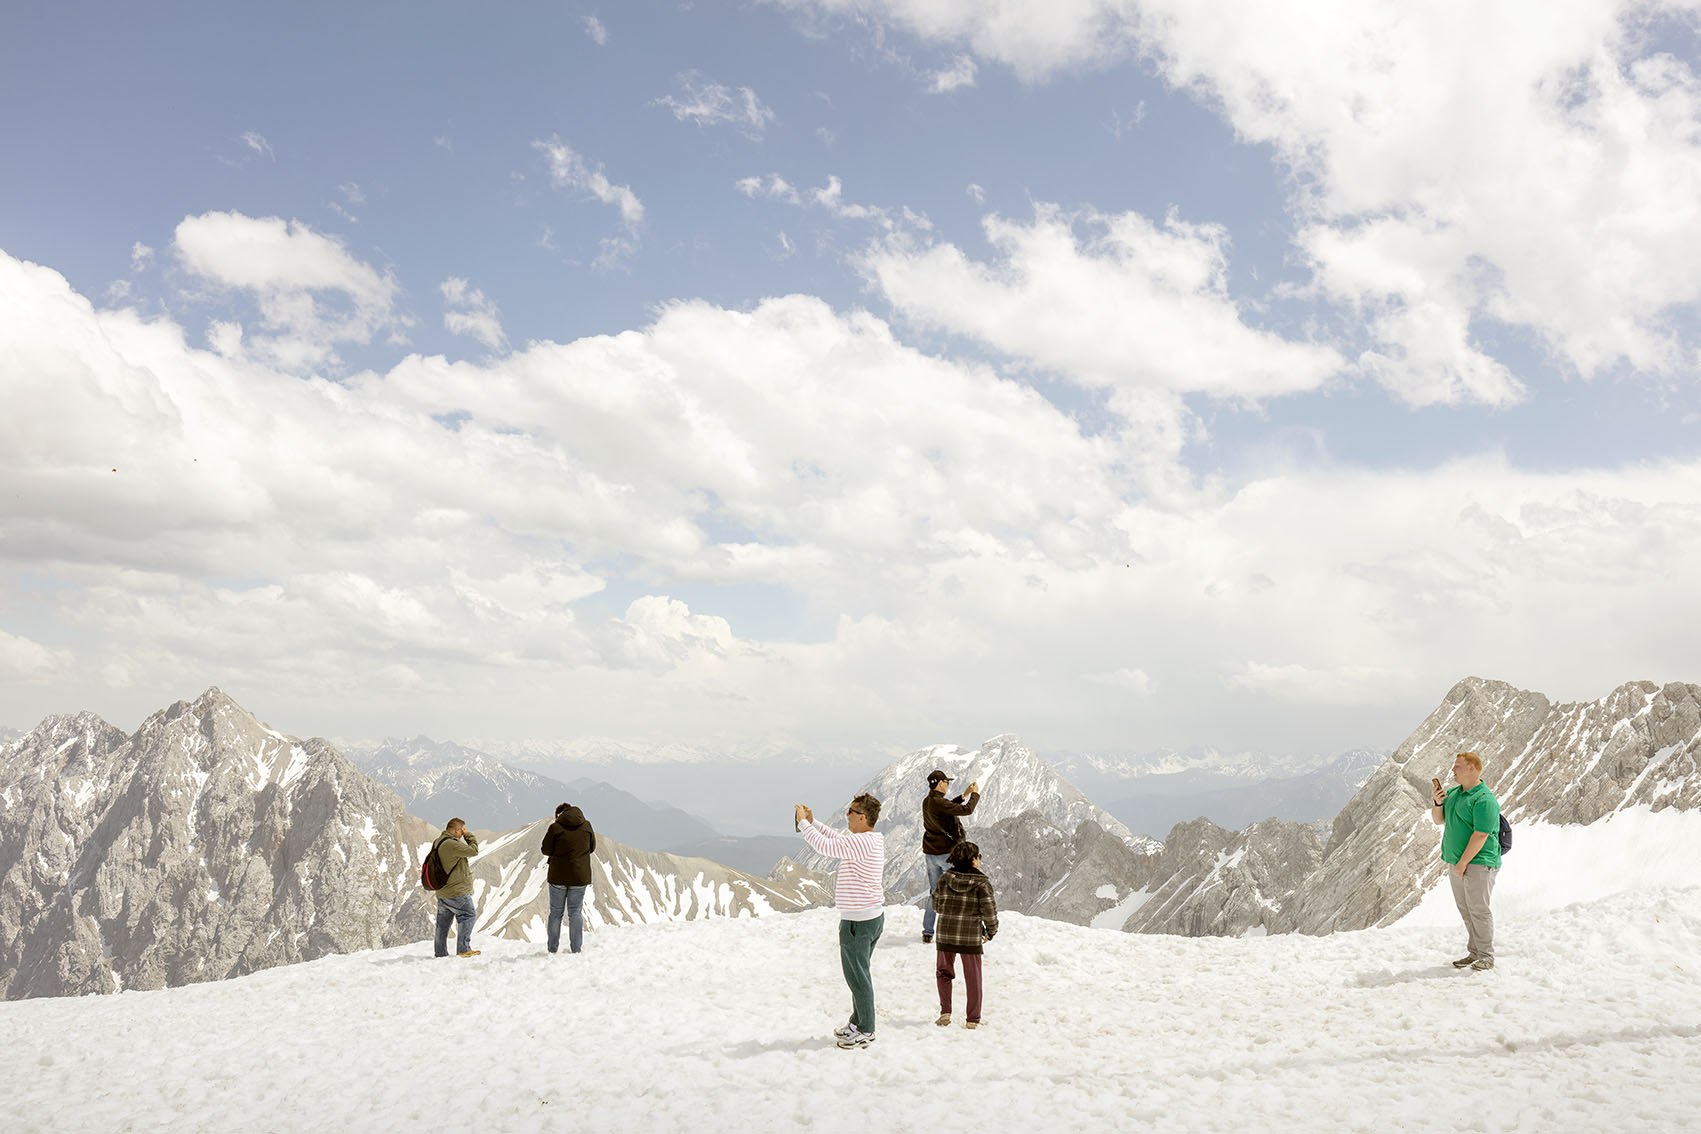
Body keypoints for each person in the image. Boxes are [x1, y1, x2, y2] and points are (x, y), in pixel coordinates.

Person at [795, 793, 886, 1049]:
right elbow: (838, 840)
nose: (847, 814)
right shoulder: (869, 840)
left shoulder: (861, 843)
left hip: (858, 922)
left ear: (863, 817)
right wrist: (815, 822)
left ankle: (866, 1029)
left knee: (858, 978)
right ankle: (857, 1023)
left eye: (851, 810)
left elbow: (826, 847)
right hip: (869, 918)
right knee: (859, 974)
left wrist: (803, 824)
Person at [1430, 751, 1502, 971]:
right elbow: (1438, 820)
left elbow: (1480, 835)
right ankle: (1474, 953)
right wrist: (1437, 802)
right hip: (1457, 862)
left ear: (1472, 768)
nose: (1453, 770)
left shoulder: (1484, 799)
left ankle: (1486, 956)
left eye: (1458, 766)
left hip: (1479, 863)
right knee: (1466, 910)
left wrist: (1462, 864)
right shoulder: (1454, 794)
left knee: (1479, 909)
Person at [931, 839, 998, 1029]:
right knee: (973, 976)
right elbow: (989, 911)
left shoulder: (944, 879)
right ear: (974, 859)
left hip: (945, 934)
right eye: (979, 857)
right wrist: (991, 930)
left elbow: (935, 904)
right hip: (970, 936)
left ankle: (945, 1013)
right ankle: (972, 1019)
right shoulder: (982, 883)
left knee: (943, 972)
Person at [920, 770, 980, 944]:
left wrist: (964, 794)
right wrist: (975, 795)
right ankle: (955, 930)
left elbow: (947, 807)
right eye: (947, 782)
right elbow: (967, 810)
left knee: (934, 892)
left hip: (931, 854)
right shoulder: (939, 802)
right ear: (940, 783)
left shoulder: (928, 801)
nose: (948, 785)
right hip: (947, 854)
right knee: (957, 890)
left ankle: (928, 931)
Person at [540, 802, 596, 953]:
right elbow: (592, 847)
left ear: (559, 814)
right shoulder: (587, 826)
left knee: (556, 913)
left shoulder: (555, 828)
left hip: (558, 876)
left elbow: (545, 849)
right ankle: (576, 949)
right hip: (579, 876)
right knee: (575, 912)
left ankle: (552, 949)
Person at [432, 818, 481, 958]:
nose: (461, 834)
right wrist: (468, 835)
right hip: (457, 891)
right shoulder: (452, 844)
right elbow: (473, 850)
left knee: (442, 924)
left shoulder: (438, 841)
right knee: (468, 915)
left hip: (443, 892)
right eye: (461, 830)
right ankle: (463, 949)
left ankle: (440, 952)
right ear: (456, 830)